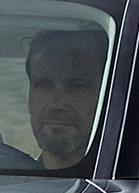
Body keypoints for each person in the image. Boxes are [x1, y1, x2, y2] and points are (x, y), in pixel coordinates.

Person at [25, 25, 106, 171]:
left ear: (107, 97)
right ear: (30, 99)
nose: (56, 104)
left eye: (77, 86)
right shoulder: (3, 185)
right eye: (43, 86)